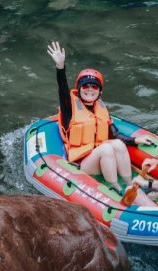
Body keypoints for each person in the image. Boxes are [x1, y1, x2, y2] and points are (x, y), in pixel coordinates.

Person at [46, 41, 152, 193]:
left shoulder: (101, 109)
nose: (90, 89)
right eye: (85, 86)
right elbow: (62, 88)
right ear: (79, 88)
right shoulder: (70, 107)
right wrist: (60, 66)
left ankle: (131, 185)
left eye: (94, 86)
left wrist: (136, 140)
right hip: (82, 163)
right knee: (107, 148)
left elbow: (114, 134)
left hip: (100, 155)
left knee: (118, 145)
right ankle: (116, 190)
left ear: (99, 91)